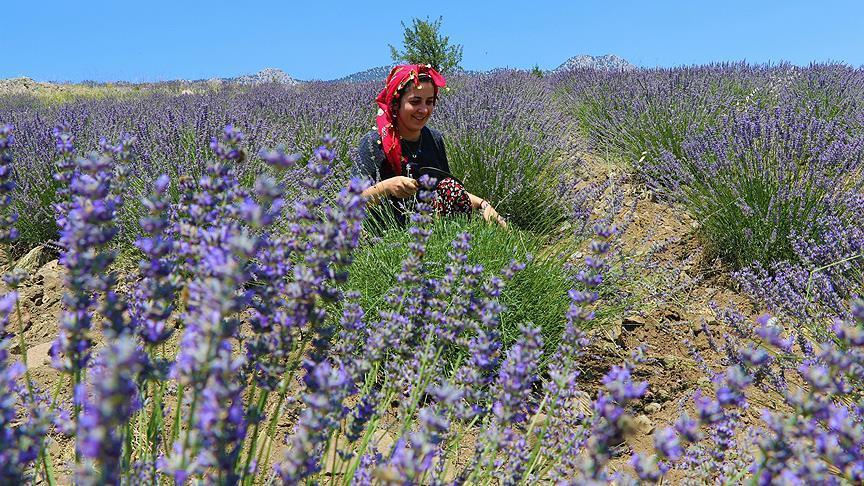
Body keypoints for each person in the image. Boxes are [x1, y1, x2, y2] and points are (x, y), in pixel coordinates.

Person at [354, 64, 507, 228]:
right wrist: (386, 187)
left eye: (430, 102)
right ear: (396, 103)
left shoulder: (434, 139)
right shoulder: (374, 143)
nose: (424, 109)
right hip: (383, 240)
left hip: (430, 233)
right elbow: (351, 204)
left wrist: (484, 205)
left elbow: (446, 189)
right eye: (415, 101)